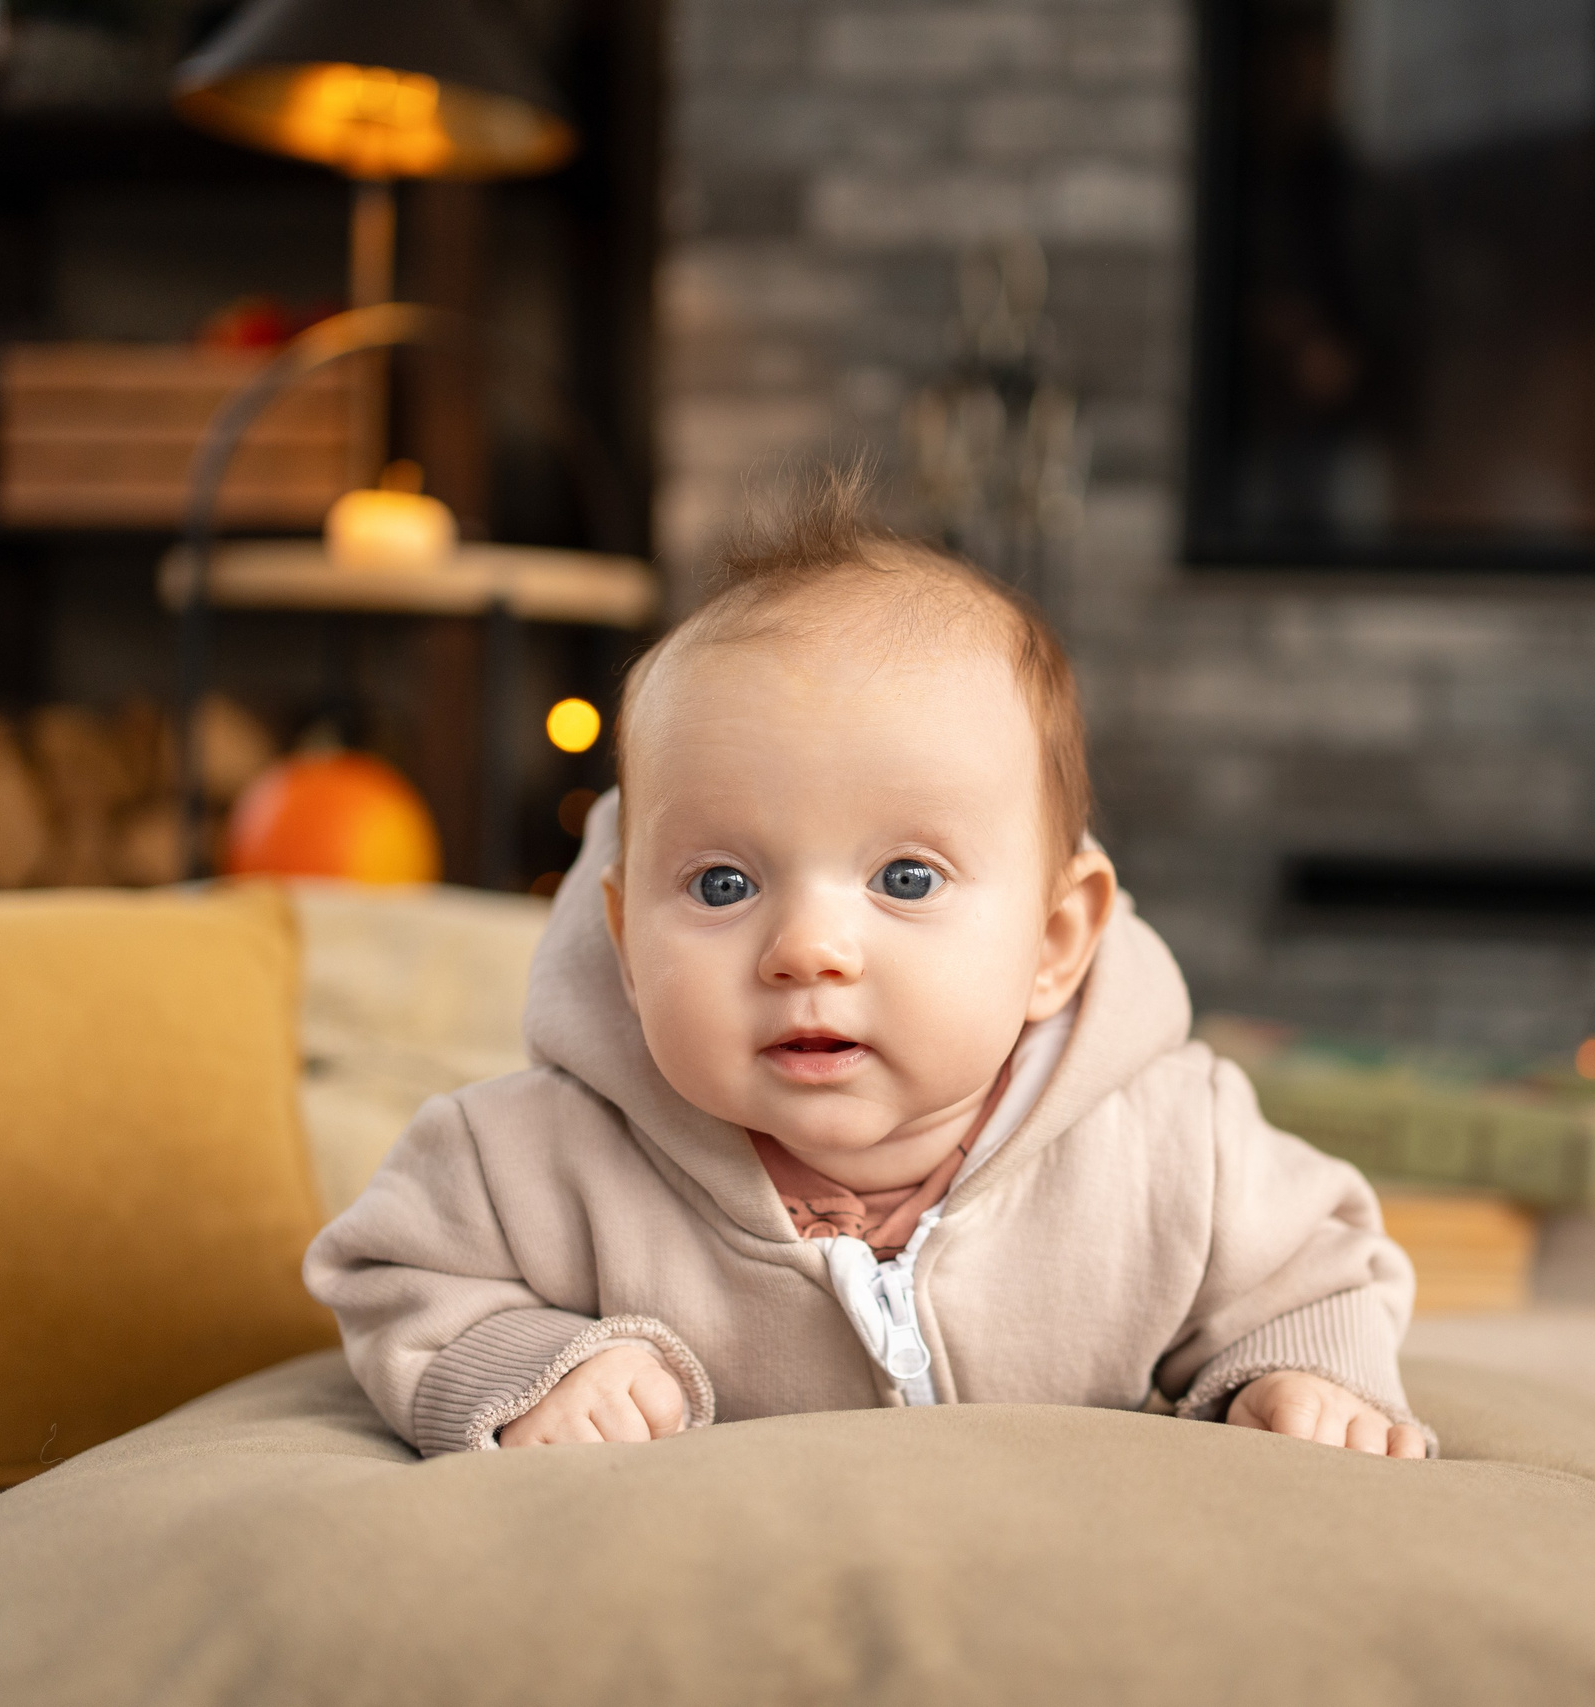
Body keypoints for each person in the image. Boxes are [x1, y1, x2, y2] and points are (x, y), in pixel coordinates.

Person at [306, 479, 1431, 1461]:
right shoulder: (531, 1159)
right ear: (624, 939)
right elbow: (394, 1276)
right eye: (720, 886)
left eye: (904, 879)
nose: (807, 949)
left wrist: (1301, 1378)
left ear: (1051, 943)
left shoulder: (1170, 1145)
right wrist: (536, 1365)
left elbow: (1316, 1270)